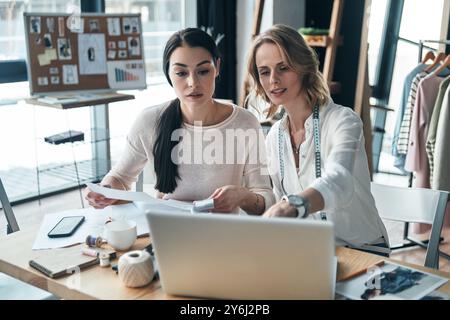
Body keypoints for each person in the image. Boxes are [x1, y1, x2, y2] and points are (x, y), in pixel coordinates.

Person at [85, 28, 274, 215]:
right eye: (181, 73)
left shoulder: (244, 123)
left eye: (203, 71)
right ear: (168, 73)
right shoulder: (149, 121)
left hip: (223, 234)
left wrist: (242, 196)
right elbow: (120, 177)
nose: (193, 83)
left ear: (217, 67)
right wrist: (104, 191)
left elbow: (264, 198)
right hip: (167, 231)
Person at [246, 24, 389, 251]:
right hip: (309, 250)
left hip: (362, 250)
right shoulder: (274, 136)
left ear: (303, 68)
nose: (273, 79)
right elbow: (276, 200)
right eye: (264, 71)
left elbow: (339, 181)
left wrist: (294, 205)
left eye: (283, 68)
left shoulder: (343, 120)